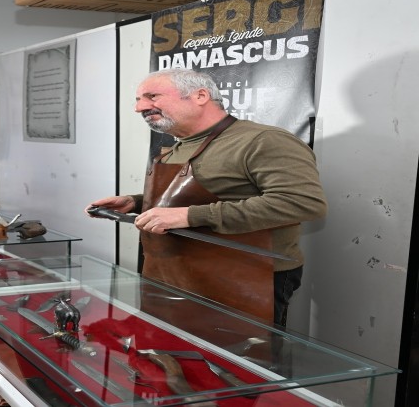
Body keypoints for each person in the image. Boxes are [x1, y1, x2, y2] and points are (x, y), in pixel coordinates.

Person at [86, 68, 327, 327]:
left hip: (244, 279)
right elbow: (209, 193)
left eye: (152, 96)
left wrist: (190, 216)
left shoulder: (263, 140)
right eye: (138, 100)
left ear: (200, 96)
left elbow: (302, 203)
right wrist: (136, 202)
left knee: (239, 353)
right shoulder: (179, 146)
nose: (140, 108)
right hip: (175, 275)